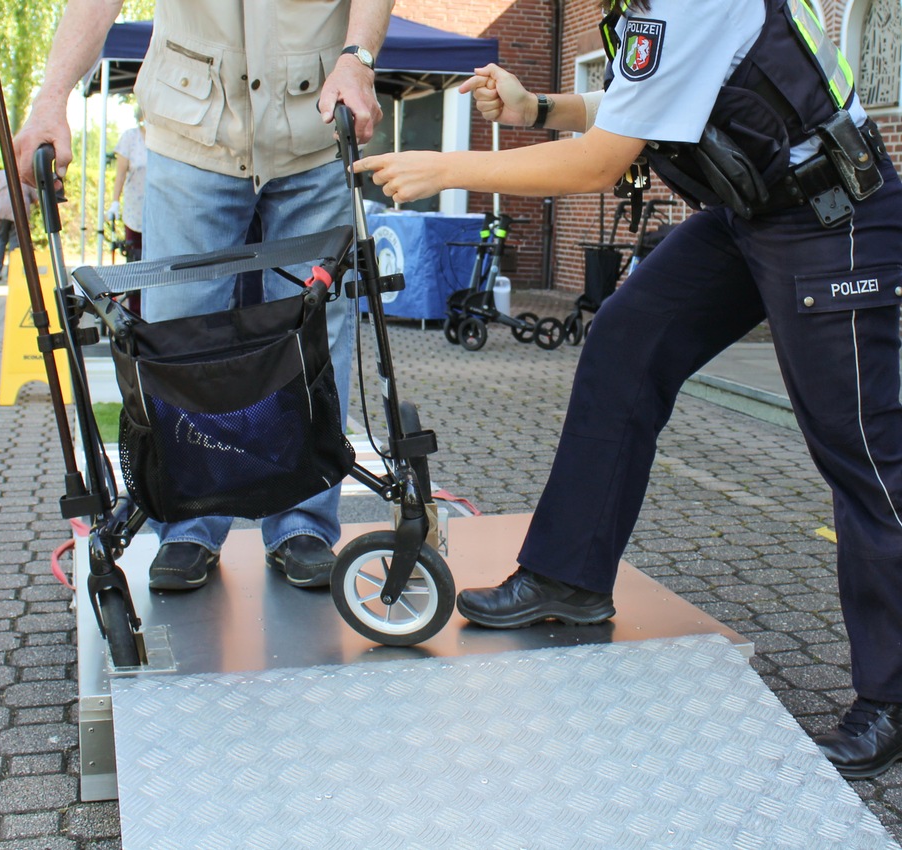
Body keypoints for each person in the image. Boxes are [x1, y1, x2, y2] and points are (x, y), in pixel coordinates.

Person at [355, 0, 902, 779]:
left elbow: (598, 166)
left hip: (832, 216)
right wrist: (537, 107)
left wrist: (444, 168)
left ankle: (892, 695)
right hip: (755, 215)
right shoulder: (652, 9)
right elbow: (648, 98)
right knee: (626, 340)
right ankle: (567, 576)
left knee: (865, 455)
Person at [14, 0, 391, 592]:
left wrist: (359, 58)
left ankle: (303, 523)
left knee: (319, 330)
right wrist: (51, 96)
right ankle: (190, 525)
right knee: (179, 332)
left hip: (317, 122)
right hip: (193, 132)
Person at [0, 168, 37, 280]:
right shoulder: (26, 173)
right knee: (15, 242)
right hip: (19, 212)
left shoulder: (1, 174)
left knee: (0, 239)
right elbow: (36, 198)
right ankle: (11, 272)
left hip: (1, 210)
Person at [109, 107, 147, 263]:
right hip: (135, 211)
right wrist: (115, 203)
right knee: (135, 258)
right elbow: (120, 175)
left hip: (159, 210)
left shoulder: (164, 140)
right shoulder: (130, 137)